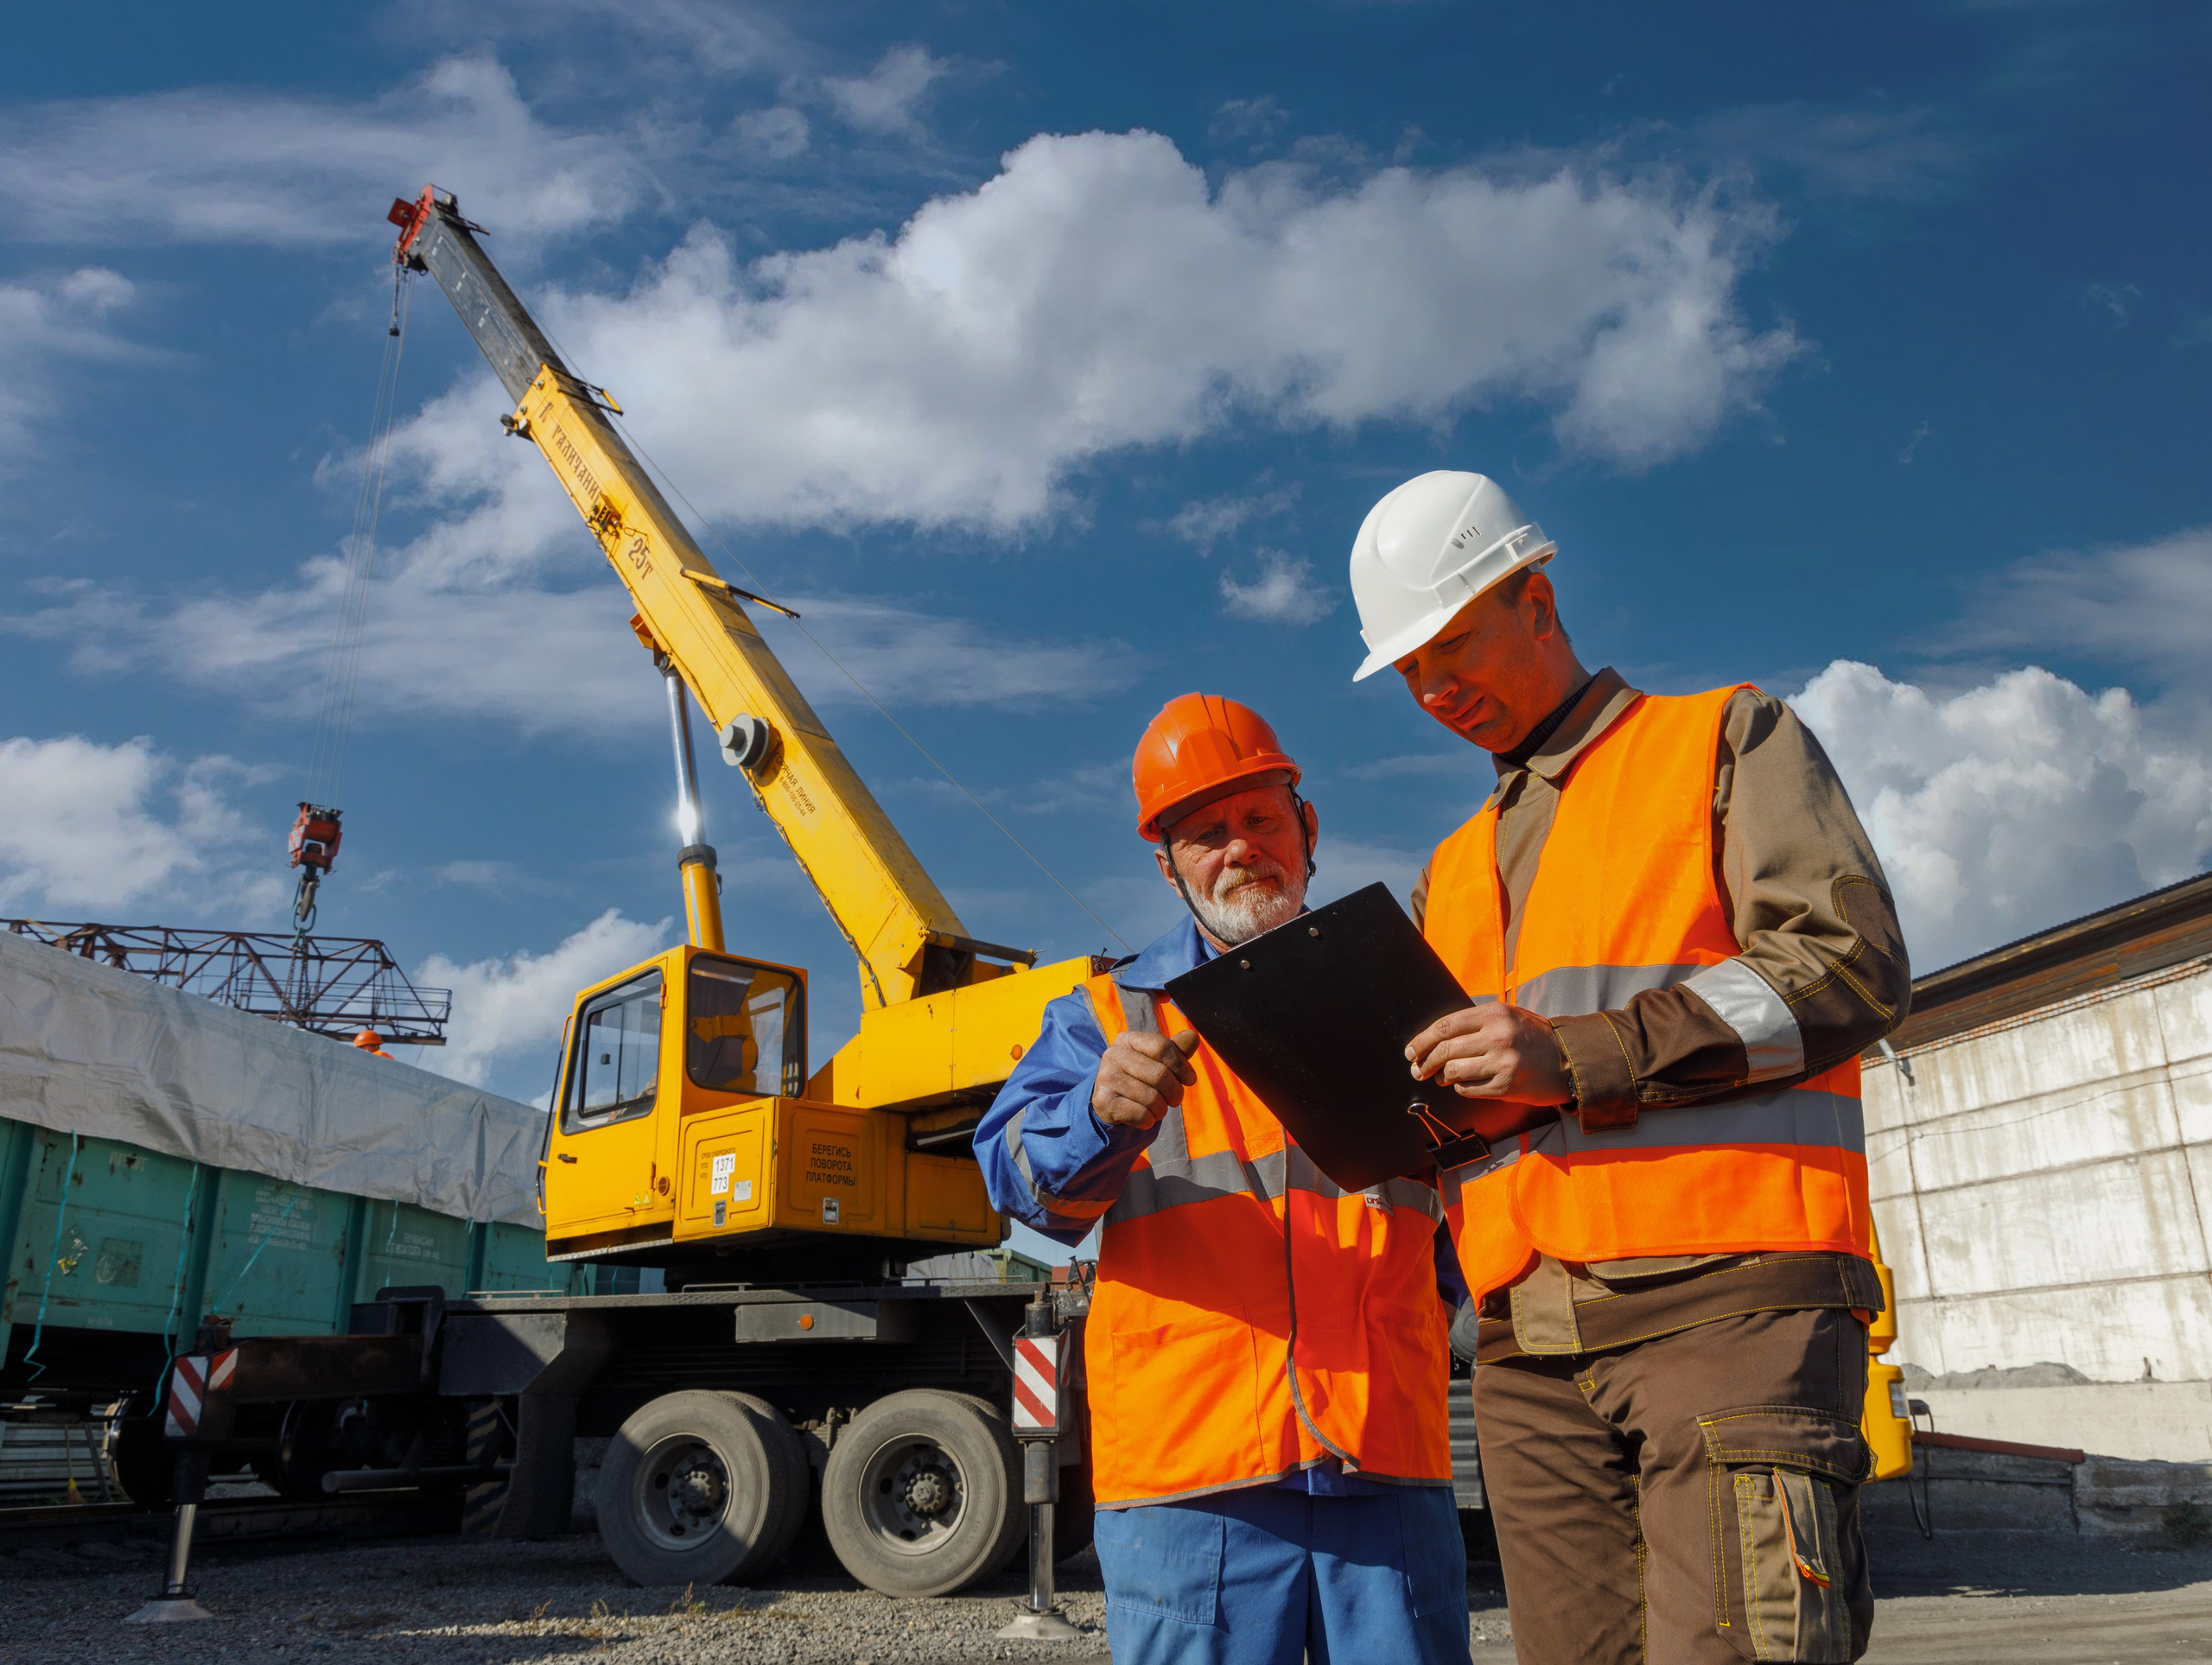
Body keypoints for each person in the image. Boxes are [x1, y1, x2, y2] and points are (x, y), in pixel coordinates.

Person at [1346, 472, 1911, 1665]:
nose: (1435, 688)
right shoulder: (1451, 870)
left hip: (1729, 1302)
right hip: (1526, 1346)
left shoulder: (1722, 739)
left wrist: (1574, 1054)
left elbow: (1845, 962)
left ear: (1537, 603)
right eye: (1409, 670)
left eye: (1453, 646)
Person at [976, 694, 1470, 1665]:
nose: (1240, 848)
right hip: (1193, 1481)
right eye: (1206, 834)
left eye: (1259, 818)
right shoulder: (1104, 1017)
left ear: (1306, 828)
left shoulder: (1404, 996)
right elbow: (1018, 1192)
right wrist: (1097, 1113)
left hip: (1385, 1463)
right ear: (1169, 866)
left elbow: (1466, 1209)